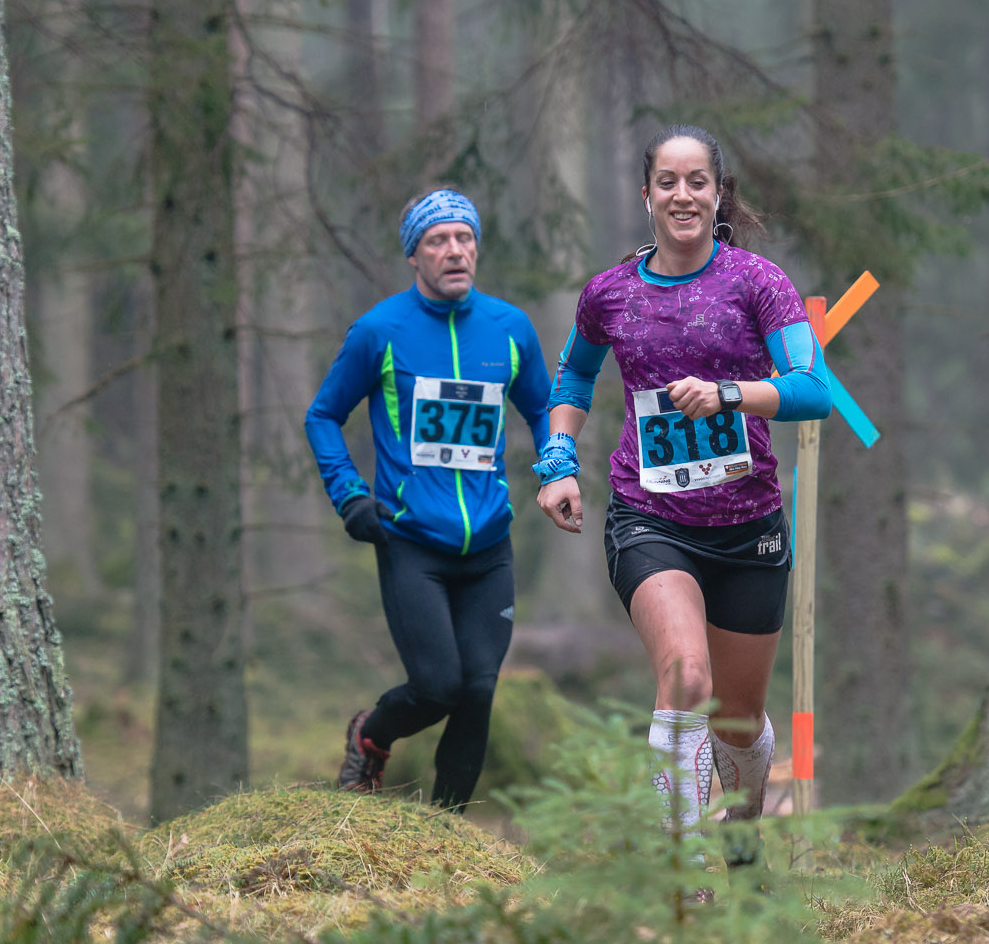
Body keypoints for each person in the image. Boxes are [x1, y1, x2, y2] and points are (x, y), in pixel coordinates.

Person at [533, 125, 831, 831]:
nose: (683, 194)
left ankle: (743, 835)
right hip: (650, 518)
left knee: (738, 721)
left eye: (697, 180)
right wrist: (558, 460)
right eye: (667, 181)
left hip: (749, 526)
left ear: (717, 192)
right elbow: (574, 373)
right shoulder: (609, 293)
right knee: (684, 677)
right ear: (646, 196)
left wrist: (732, 392)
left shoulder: (759, 282)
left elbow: (812, 388)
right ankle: (684, 870)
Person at [305, 188, 553, 809]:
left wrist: (556, 468)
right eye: (438, 241)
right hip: (412, 542)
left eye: (464, 238)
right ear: (414, 257)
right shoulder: (380, 331)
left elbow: (544, 408)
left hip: (490, 545)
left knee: (479, 689)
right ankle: (371, 736)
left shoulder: (509, 328)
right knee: (439, 686)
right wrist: (350, 497)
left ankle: (445, 830)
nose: (455, 251)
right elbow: (322, 415)